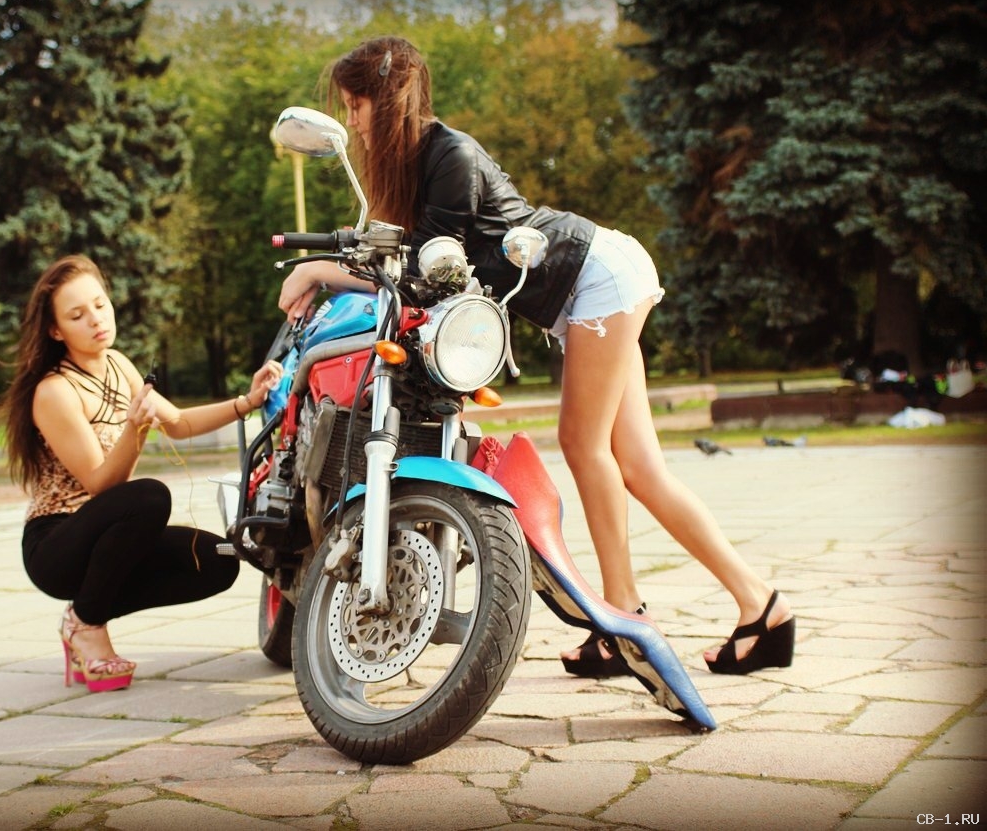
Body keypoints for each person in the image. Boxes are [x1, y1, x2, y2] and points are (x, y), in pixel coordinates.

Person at [277, 36, 794, 677]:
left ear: (387, 101)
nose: (353, 121)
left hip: (594, 276)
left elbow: (430, 269)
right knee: (640, 467)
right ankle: (758, 606)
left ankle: (624, 617)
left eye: (357, 105)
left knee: (584, 444)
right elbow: (409, 263)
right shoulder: (418, 163)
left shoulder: (450, 153)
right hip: (585, 290)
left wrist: (318, 270)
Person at [3, 254, 282, 692]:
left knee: (214, 560)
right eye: (77, 315)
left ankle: (82, 615)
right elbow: (100, 484)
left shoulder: (118, 364)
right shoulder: (55, 391)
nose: (96, 319)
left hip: (110, 536)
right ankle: (89, 627)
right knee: (149, 497)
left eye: (100, 305)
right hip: (57, 543)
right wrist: (134, 429)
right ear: (56, 331)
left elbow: (179, 423)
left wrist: (247, 401)